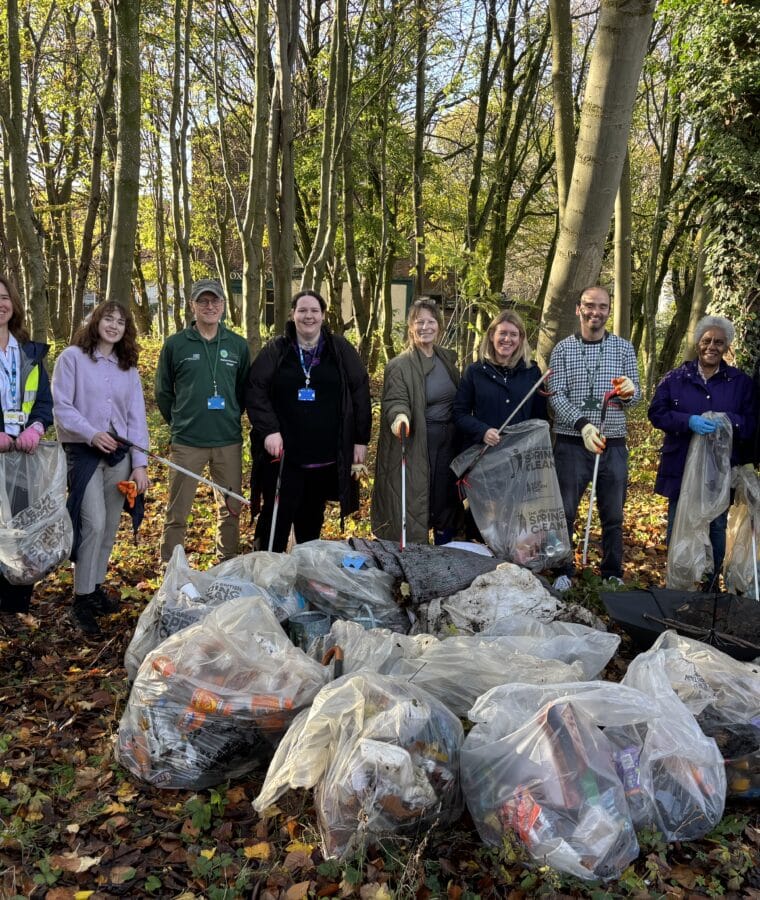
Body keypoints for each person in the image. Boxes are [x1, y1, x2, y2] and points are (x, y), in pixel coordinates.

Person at [246, 289, 371, 552]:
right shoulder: (277, 350)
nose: (308, 316)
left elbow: (360, 390)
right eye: (302, 310)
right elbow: (255, 388)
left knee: (311, 520)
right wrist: (269, 431)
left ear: (323, 315)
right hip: (283, 456)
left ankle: (305, 575)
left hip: (323, 457)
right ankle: (266, 575)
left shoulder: (340, 350)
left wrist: (360, 439)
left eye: (314, 310)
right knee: (275, 520)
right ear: (293, 315)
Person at [52, 301, 149, 635]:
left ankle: (94, 589)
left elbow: (136, 418)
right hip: (84, 452)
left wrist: (140, 465)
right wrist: (91, 433)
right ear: (95, 321)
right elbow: (61, 407)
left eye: (120, 322)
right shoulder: (72, 358)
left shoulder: (128, 367)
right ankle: (80, 600)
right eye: (108, 318)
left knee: (108, 526)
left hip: (119, 457)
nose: (114, 325)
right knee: (91, 522)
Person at [648, 314, 756, 589]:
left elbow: (752, 421)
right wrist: (688, 421)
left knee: (716, 527)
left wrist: (727, 421)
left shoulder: (740, 383)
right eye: (706, 340)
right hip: (680, 467)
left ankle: (708, 588)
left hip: (718, 474)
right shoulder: (675, 378)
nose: (712, 346)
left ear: (727, 346)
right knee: (678, 525)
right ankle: (679, 584)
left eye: (719, 342)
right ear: (697, 342)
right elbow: (657, 413)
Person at [548, 286, 640, 591]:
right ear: (578, 309)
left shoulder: (624, 349)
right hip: (572, 442)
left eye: (602, 307)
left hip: (612, 443)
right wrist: (583, 425)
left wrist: (629, 391)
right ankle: (562, 569)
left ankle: (612, 571)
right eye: (589, 305)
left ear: (608, 311)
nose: (595, 312)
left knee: (613, 513)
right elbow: (556, 397)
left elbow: (634, 397)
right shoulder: (562, 349)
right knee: (566, 510)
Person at [156, 279, 251, 563]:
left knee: (230, 508)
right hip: (187, 441)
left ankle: (227, 563)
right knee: (177, 511)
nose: (210, 306)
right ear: (193, 306)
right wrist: (180, 421)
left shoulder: (237, 345)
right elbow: (163, 391)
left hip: (228, 440)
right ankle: (171, 568)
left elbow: (244, 390)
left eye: (215, 301)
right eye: (203, 301)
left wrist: (231, 414)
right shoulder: (176, 345)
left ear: (223, 305)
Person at [372, 299, 460, 545]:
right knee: (417, 499)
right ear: (410, 327)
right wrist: (399, 416)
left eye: (431, 321)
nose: (425, 327)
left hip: (448, 444)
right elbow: (395, 398)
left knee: (444, 499)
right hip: (418, 442)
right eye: (419, 321)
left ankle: (447, 551)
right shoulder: (399, 365)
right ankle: (414, 554)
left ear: (439, 327)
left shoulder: (448, 360)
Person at [0, 275, 53, 614]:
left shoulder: (29, 353)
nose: (0, 304)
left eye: (5, 297)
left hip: (23, 456)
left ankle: (17, 606)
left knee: (22, 530)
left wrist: (35, 427)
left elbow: (44, 402)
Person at [454, 309, 547, 449]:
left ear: (521, 339)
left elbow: (540, 418)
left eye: (514, 334)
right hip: (484, 453)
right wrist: (482, 431)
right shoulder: (475, 371)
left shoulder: (532, 372)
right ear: (492, 335)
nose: (507, 339)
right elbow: (459, 413)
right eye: (502, 333)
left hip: (519, 455)